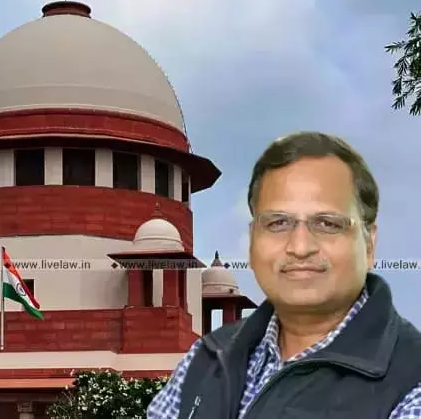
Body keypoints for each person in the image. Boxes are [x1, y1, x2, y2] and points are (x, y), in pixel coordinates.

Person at [147, 131, 421, 418]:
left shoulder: (409, 379)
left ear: (369, 244)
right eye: (278, 223)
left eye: (327, 223)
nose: (300, 247)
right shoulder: (206, 360)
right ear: (253, 239)